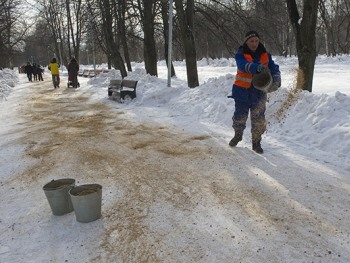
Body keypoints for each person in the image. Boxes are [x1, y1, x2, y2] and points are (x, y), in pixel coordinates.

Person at [229, 30, 281, 154]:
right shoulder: (240, 54)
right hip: (242, 92)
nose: (254, 43)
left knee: (259, 118)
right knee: (239, 116)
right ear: (246, 42)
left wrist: (277, 77)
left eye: (256, 41)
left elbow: (273, 67)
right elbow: (243, 65)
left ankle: (256, 142)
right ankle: (238, 134)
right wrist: (256, 67)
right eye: (251, 41)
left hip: (259, 92)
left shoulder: (265, 54)